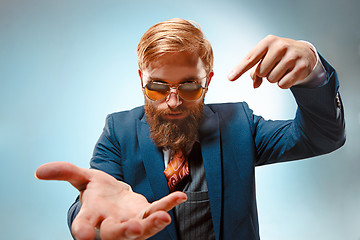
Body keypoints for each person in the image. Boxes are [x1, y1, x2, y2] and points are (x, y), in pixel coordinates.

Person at [35, 18, 345, 240]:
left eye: (189, 86)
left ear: (208, 81)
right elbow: (97, 196)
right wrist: (97, 221)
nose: (172, 101)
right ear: (141, 78)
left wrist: (314, 71)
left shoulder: (238, 123)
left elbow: (321, 136)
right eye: (157, 87)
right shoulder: (119, 130)